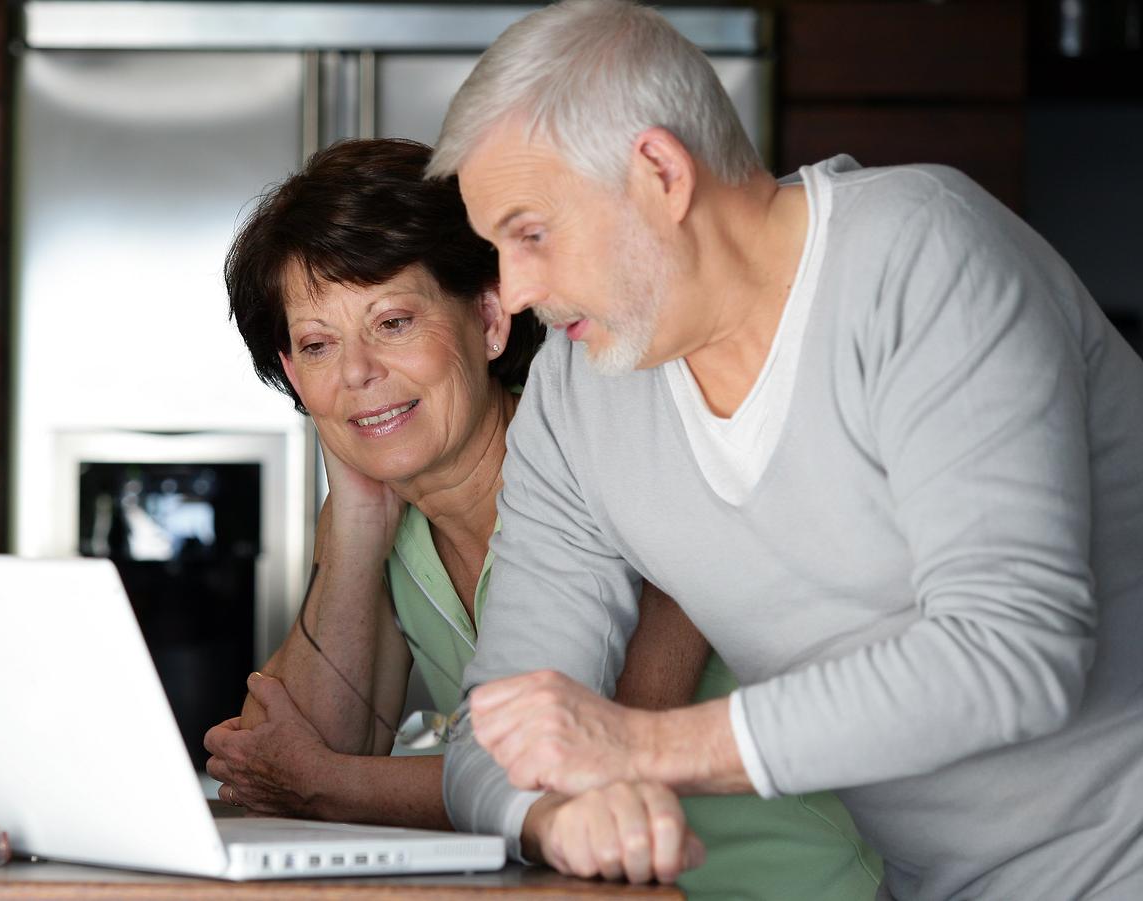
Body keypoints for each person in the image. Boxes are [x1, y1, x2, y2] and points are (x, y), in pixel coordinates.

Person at [424, 1, 1143, 898]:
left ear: (659, 172)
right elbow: (497, 728)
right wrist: (553, 812)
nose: (515, 291)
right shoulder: (576, 399)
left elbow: (1014, 651)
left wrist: (647, 748)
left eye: (531, 234)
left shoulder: (922, 253)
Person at [205, 137, 882, 898]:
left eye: (392, 321)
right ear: (295, 377)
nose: (357, 373)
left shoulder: (616, 457)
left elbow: (600, 762)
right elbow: (278, 770)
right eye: (319, 345)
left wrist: (334, 784)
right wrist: (357, 525)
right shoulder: (390, 527)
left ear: (490, 320)